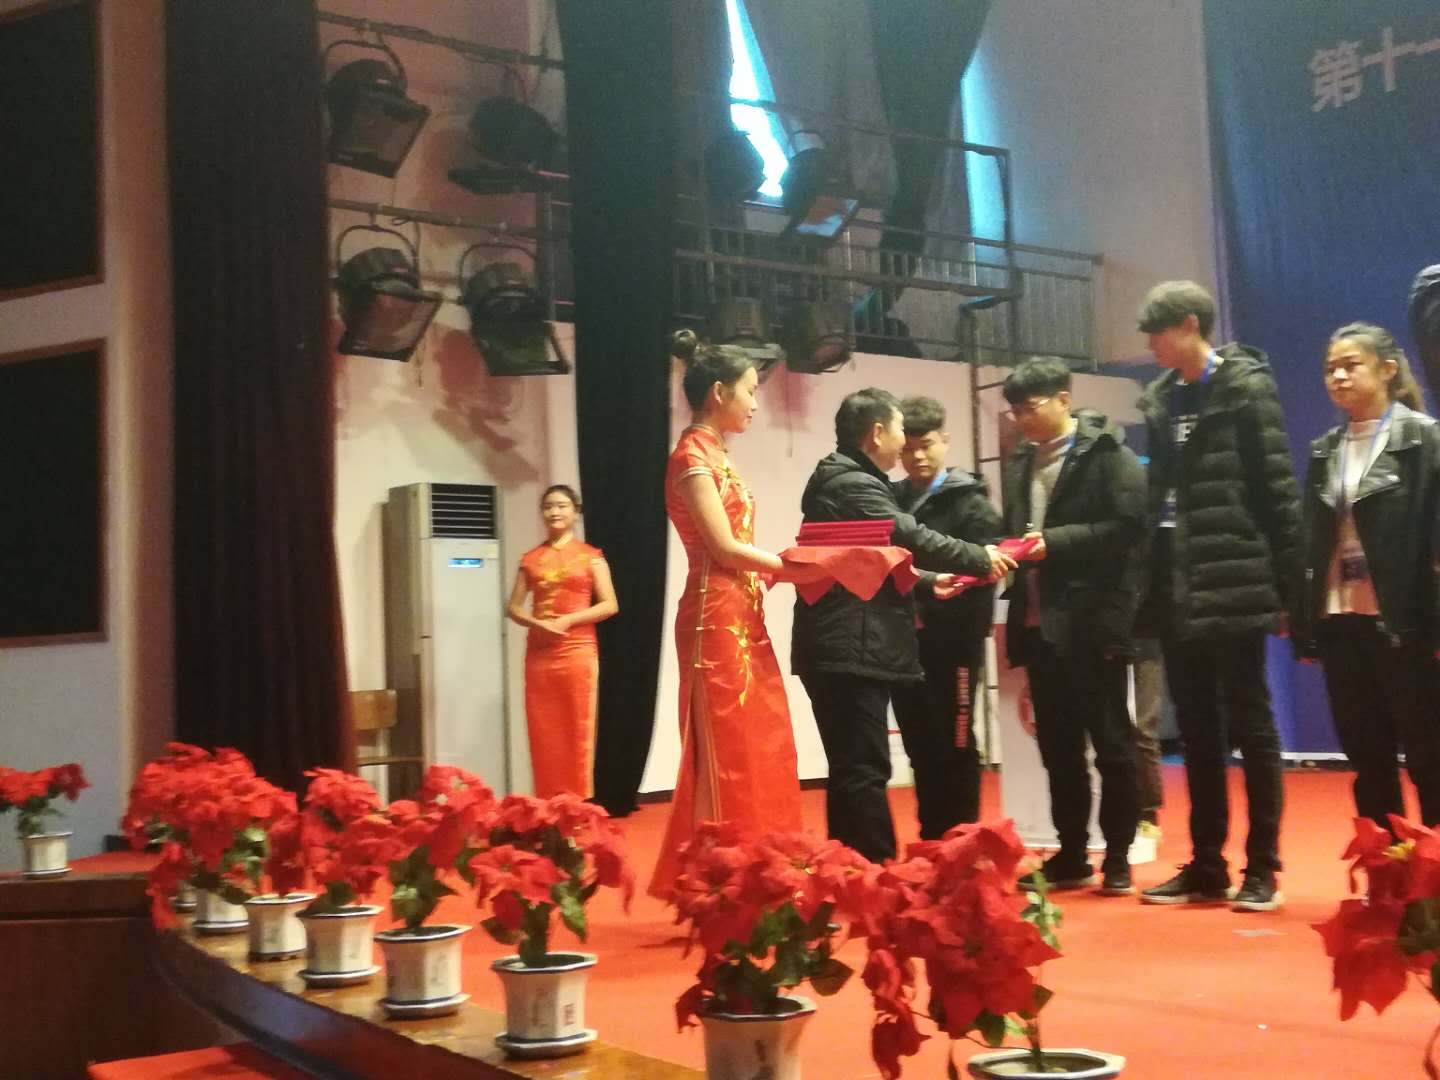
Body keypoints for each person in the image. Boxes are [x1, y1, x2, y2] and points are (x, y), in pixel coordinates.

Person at [792, 387, 1016, 863]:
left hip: (929, 646)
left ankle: (932, 853)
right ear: (878, 433)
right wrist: (979, 557)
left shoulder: (958, 500)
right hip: (860, 645)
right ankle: (875, 870)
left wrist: (930, 584)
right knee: (868, 766)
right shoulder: (862, 485)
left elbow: (877, 558)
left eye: (924, 443)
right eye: (902, 436)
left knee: (921, 754)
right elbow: (906, 538)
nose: (909, 451)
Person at [1134, 280, 1300, 913]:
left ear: (1189, 324)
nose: (1149, 344)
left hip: (1237, 576)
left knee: (1252, 725)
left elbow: (1277, 490)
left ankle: (1263, 867)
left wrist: (1290, 590)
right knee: (1198, 731)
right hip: (1176, 581)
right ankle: (1207, 864)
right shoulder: (1160, 398)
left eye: (1156, 331)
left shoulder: (1245, 388)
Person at [648, 331, 807, 896]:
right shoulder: (691, 457)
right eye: (750, 391)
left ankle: (758, 867)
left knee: (759, 737)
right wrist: (790, 567)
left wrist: (781, 570)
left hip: (741, 608)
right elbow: (723, 547)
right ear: (718, 392)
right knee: (725, 746)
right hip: (714, 615)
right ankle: (717, 879)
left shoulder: (716, 456)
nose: (756, 403)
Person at [999, 360, 1147, 895]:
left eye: (1031, 407)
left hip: (1094, 624)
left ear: (1064, 399)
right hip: (1039, 625)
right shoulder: (1020, 461)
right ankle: (1071, 853)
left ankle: (1119, 856)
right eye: (1015, 411)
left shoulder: (1108, 454)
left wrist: (1056, 543)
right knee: (1058, 750)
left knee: (1112, 747)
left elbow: (1129, 528)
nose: (1022, 419)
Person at [1293, 322, 1440, 828]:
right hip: (1342, 622)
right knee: (1368, 758)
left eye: (1350, 365)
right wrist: (1304, 618)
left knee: (1430, 757)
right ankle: (1389, 869)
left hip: (1406, 624)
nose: (1337, 376)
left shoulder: (1425, 440)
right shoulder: (1324, 449)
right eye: (1329, 368)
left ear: (1387, 370)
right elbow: (1311, 540)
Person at [888, 395, 1003, 837]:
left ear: (945, 441)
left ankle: (961, 839)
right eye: (908, 448)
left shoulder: (972, 503)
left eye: (927, 445)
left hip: (954, 644)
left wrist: (944, 616)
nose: (917, 456)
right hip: (904, 643)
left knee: (956, 739)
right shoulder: (892, 500)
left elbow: (984, 575)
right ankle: (931, 836)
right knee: (918, 742)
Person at [506, 484, 618, 799]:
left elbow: (610, 604)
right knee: (544, 732)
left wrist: (569, 620)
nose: (554, 512)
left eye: (562, 506)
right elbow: (513, 607)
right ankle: (548, 803)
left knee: (577, 728)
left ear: (575, 512)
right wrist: (536, 622)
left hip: (577, 652)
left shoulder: (591, 557)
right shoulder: (531, 559)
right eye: (548, 507)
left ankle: (577, 805)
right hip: (540, 656)